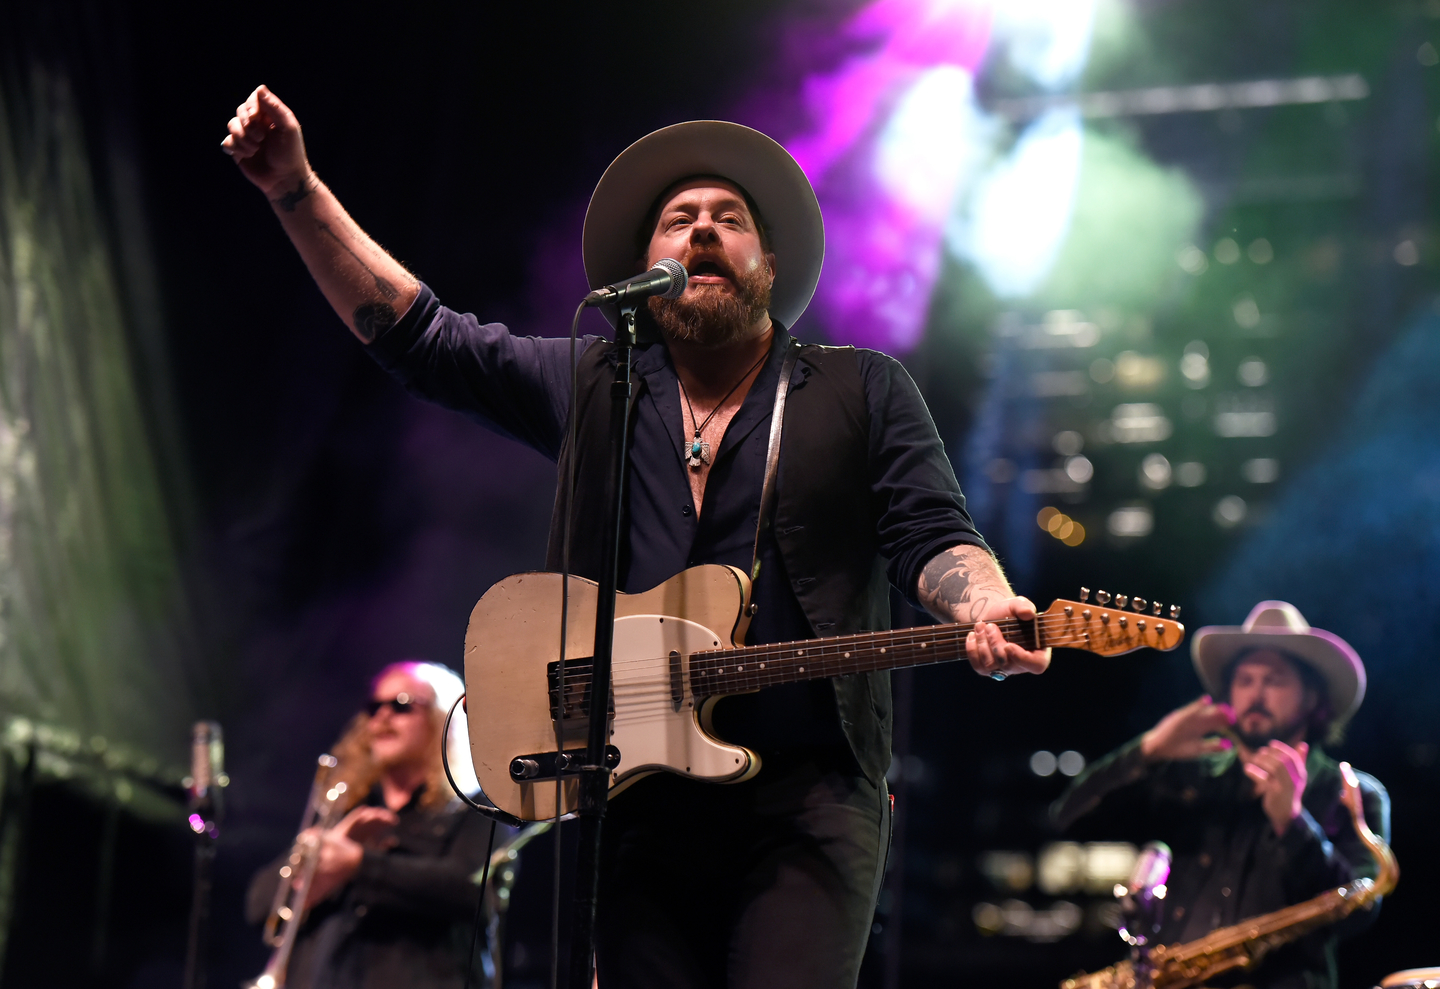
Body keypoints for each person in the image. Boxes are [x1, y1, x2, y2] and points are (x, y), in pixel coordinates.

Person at [223, 85, 1050, 989]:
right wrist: (295, 191)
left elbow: (930, 532)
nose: (701, 232)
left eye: (729, 220)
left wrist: (981, 600)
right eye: (679, 220)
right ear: (645, 264)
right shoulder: (596, 381)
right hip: (633, 792)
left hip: (809, 793)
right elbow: (425, 340)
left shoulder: (860, 390)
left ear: (767, 263)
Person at [1052, 601, 1391, 989]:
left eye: (1274, 679)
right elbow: (1069, 818)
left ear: (1313, 699)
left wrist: (1292, 823)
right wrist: (1149, 749)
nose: (1256, 693)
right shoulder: (1194, 780)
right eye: (1244, 680)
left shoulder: (1351, 792)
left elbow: (1358, 914)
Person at [246, 662, 500, 989]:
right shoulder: (346, 813)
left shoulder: (473, 808)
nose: (382, 717)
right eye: (374, 706)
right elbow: (257, 905)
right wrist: (317, 858)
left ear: (443, 722)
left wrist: (358, 864)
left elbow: (474, 889)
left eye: (402, 704)